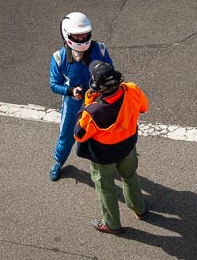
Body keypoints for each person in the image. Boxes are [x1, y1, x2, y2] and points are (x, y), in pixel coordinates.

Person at [74, 60, 149, 234]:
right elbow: (144, 107)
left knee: (105, 186)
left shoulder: (93, 111)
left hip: (104, 156)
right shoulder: (132, 89)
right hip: (128, 146)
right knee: (130, 176)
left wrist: (87, 102)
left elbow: (79, 134)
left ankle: (111, 224)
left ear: (95, 85)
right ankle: (140, 209)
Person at [49, 12, 114, 181]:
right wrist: (70, 91)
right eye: (78, 36)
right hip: (73, 103)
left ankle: (109, 161)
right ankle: (58, 161)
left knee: (104, 131)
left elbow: (110, 70)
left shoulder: (100, 49)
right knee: (67, 133)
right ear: (67, 35)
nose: (82, 38)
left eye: (85, 34)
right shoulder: (58, 58)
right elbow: (54, 85)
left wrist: (102, 85)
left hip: (98, 99)